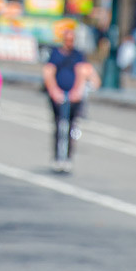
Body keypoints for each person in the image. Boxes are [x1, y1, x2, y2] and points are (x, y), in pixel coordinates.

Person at [42, 28, 100, 171]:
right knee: (58, 126)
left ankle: (68, 157)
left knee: (71, 127)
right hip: (58, 95)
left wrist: (78, 91)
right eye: (67, 40)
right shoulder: (55, 54)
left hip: (74, 96)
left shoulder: (78, 55)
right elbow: (48, 72)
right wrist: (54, 91)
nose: (69, 43)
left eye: (72, 40)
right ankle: (57, 157)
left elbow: (86, 72)